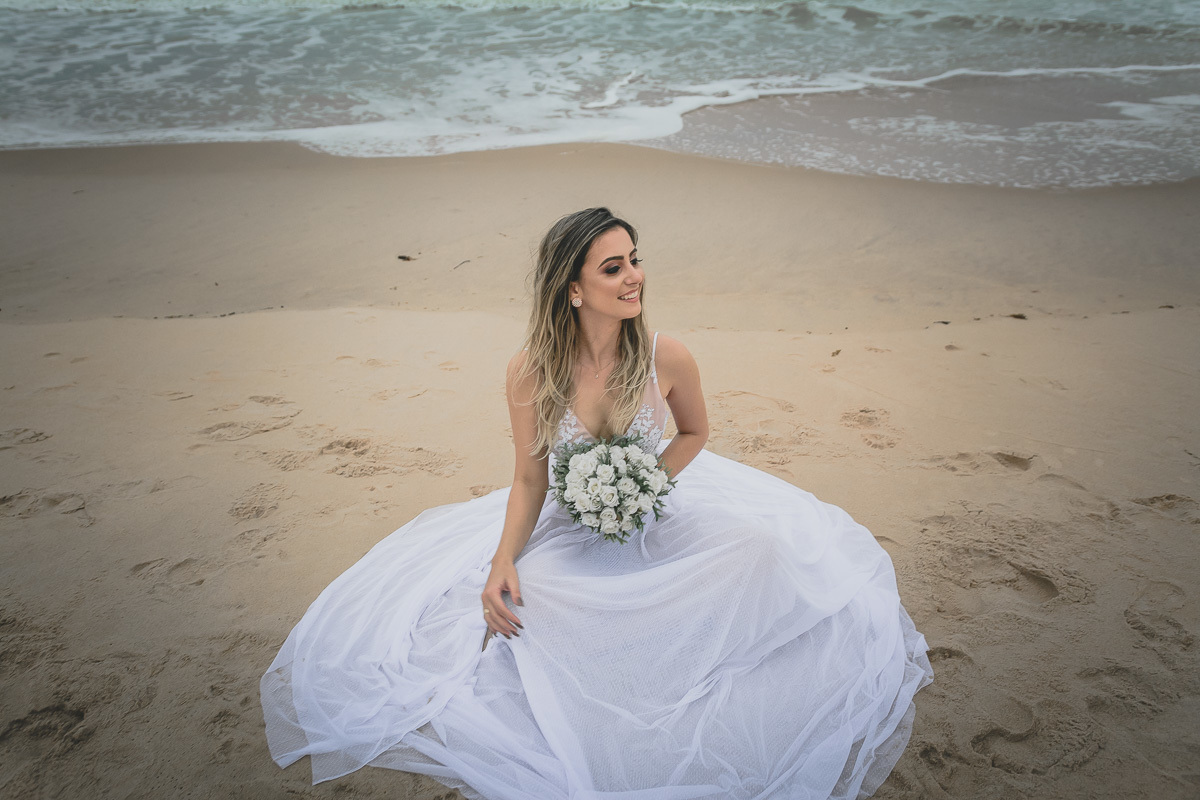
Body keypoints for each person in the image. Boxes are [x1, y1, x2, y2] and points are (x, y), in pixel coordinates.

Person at [261, 207, 933, 799]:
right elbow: (529, 480)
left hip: (654, 511)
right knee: (534, 598)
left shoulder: (668, 356)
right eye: (613, 267)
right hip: (570, 522)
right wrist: (502, 560)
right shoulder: (531, 370)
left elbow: (695, 433)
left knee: (759, 549)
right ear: (575, 288)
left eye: (635, 260)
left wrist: (645, 484)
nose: (634, 276)